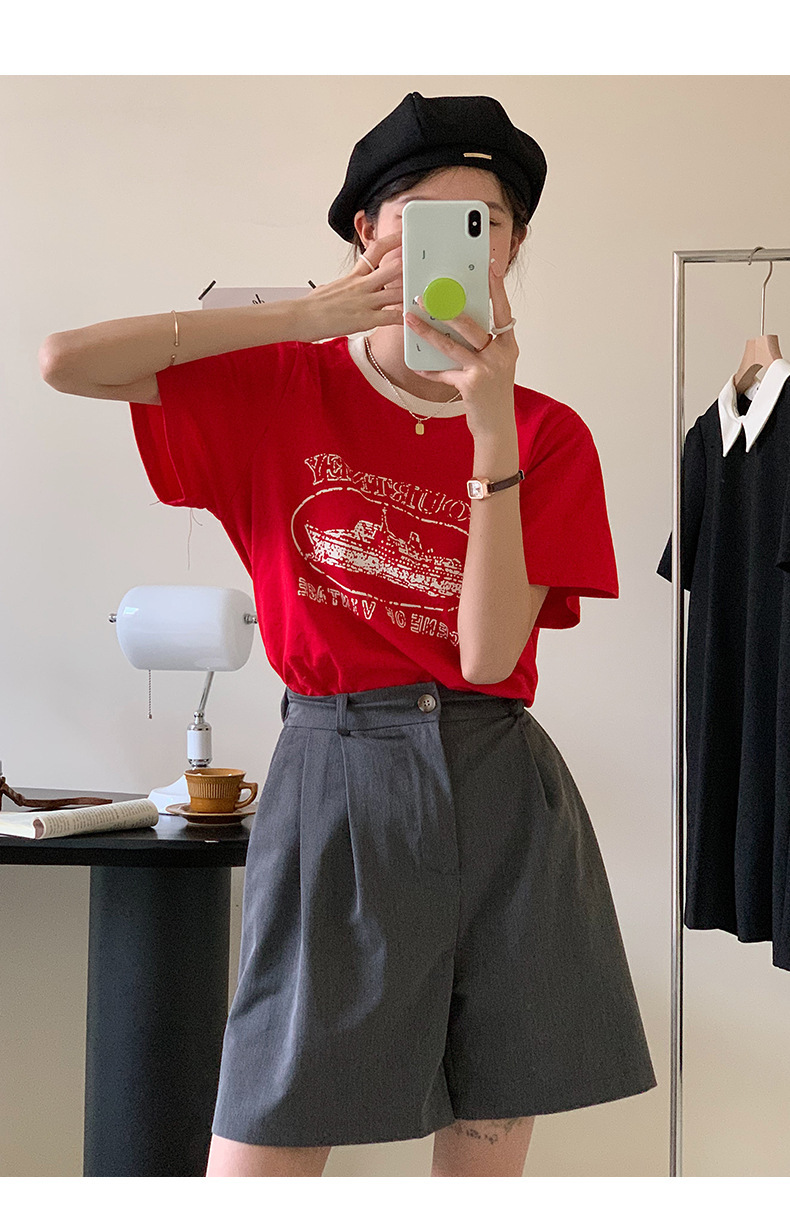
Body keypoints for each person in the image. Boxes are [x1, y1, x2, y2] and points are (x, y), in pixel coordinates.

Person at [39, 91, 657, 1178]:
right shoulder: (280, 387)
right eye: (418, 218)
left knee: (489, 1126)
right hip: (337, 770)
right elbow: (64, 360)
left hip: (501, 786)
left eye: (486, 223)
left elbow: (483, 657)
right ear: (366, 232)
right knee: (270, 1128)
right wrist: (300, 318)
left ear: (513, 246)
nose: (458, 245)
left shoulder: (546, 433)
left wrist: (490, 423)